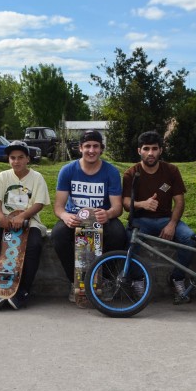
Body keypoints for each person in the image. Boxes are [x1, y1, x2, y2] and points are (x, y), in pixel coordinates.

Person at [52, 130, 127, 304]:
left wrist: (108, 214)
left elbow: (117, 207)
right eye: (87, 146)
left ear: (101, 149)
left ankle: (105, 280)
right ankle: (75, 281)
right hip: (76, 217)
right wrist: (65, 216)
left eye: (95, 146)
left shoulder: (111, 171)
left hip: (101, 217)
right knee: (58, 235)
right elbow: (58, 207)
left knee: (118, 234)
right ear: (80, 148)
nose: (91, 150)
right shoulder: (68, 170)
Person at [122, 131, 195, 304]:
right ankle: (138, 281)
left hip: (165, 219)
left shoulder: (171, 170)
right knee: (127, 240)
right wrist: (142, 204)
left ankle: (177, 278)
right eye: (146, 149)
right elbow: (125, 203)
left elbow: (179, 201)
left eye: (154, 149)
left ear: (160, 150)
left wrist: (172, 224)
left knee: (189, 238)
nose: (150, 153)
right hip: (140, 220)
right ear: (139, 150)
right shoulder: (131, 173)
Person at [0, 140, 51, 310]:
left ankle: (23, 290)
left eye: (21, 157)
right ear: (8, 159)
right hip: (5, 220)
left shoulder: (36, 177)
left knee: (34, 246)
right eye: (13, 158)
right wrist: (0, 216)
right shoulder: (3, 176)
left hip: (30, 221)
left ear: (28, 159)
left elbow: (39, 203)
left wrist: (22, 216)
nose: (16, 161)